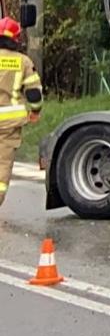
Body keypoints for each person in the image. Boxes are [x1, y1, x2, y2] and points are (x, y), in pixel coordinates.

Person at [0, 17, 43, 207]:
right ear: (16, 39)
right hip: (9, 125)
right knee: (2, 165)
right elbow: (34, 93)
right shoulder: (23, 62)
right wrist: (35, 111)